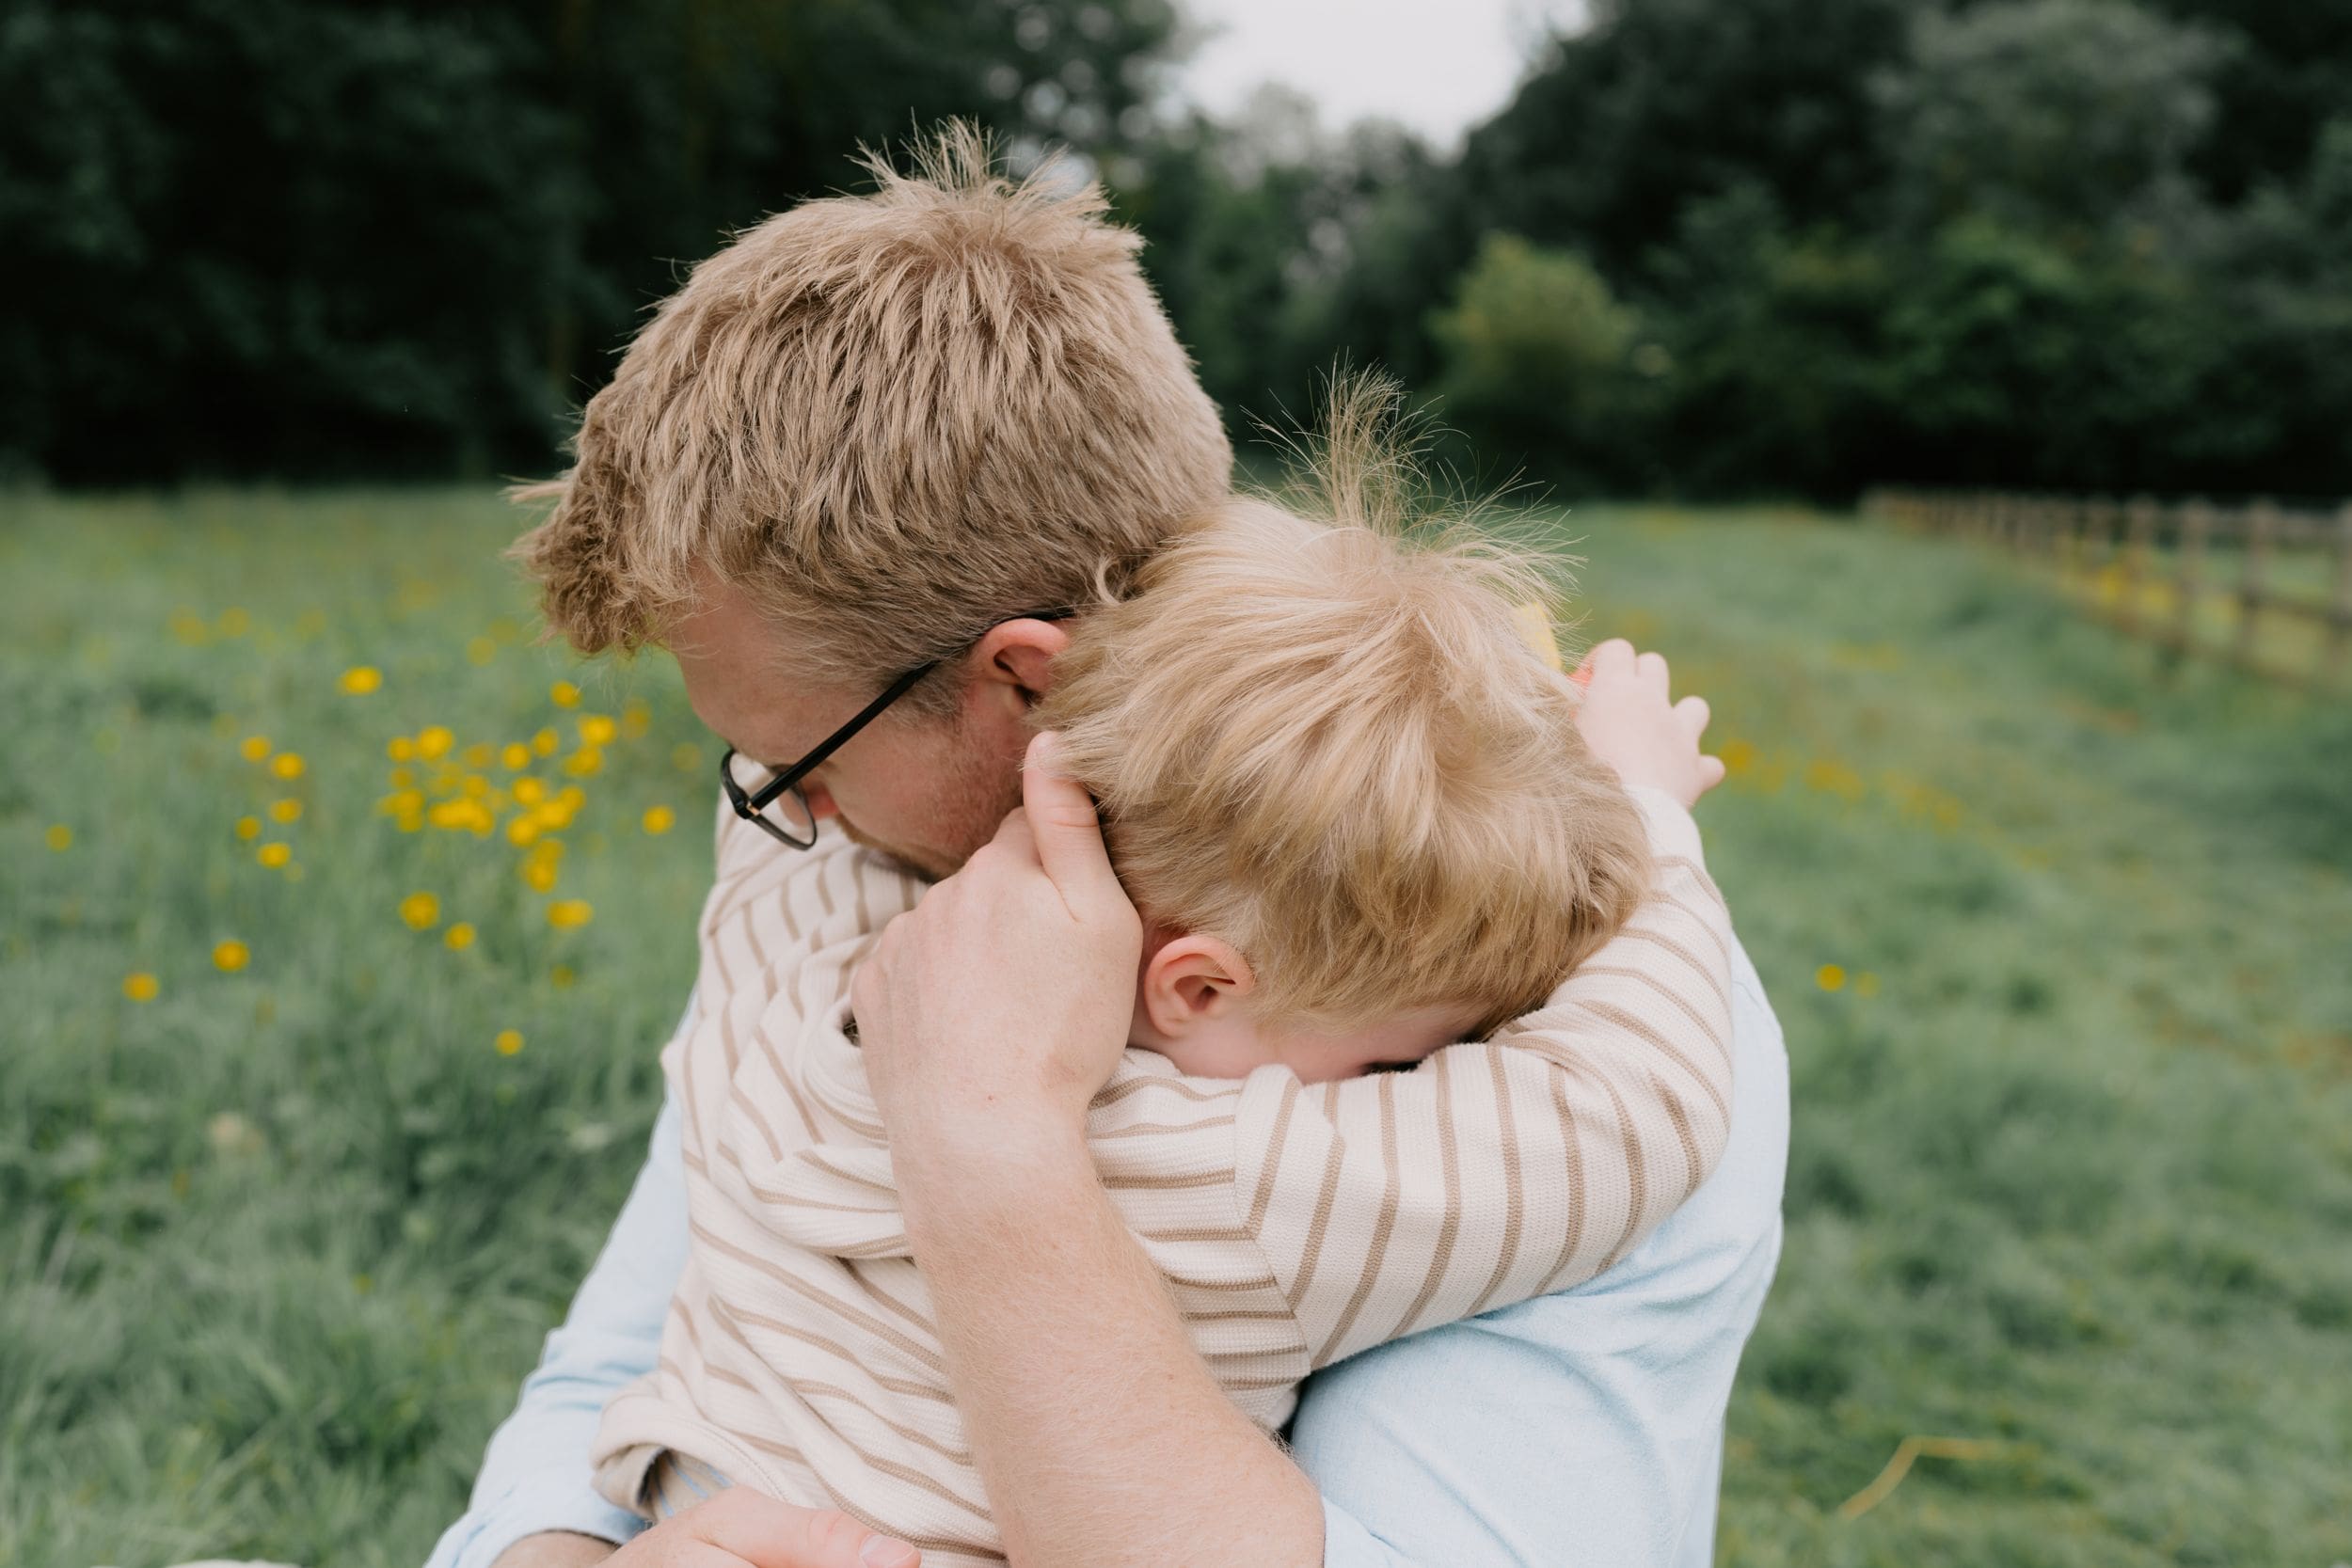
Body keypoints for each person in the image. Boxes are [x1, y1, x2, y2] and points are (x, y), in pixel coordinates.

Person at [426, 126, 1788, 1568]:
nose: (775, 816)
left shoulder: (1519, 966)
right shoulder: (837, 864)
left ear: (1024, 679)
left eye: (795, 763)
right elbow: (610, 1366)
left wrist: (990, 1144)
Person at [580, 463, 1740, 1566]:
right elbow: (1635, 1107)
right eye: (1399, 1050)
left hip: (668, 1512)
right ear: (1198, 987)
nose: (1427, 1072)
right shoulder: (1232, 1183)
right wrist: (1644, 810)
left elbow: (775, 830)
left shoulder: (801, 953)